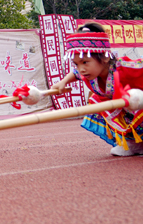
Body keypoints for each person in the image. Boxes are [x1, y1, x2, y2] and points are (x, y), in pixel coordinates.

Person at [51, 23, 143, 156]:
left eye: (85, 62)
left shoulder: (124, 67)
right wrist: (63, 82)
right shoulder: (90, 74)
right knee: (97, 101)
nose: (81, 69)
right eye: (76, 64)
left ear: (105, 57)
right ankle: (135, 144)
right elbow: (75, 74)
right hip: (128, 110)